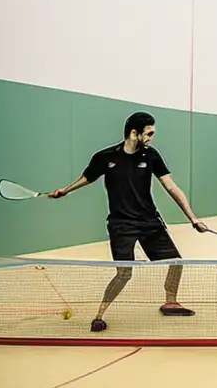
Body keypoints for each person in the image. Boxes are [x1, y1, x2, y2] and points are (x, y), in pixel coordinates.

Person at [48, 111, 208, 332]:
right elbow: (87, 178)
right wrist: (64, 191)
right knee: (124, 273)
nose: (151, 137)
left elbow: (171, 187)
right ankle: (99, 315)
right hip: (121, 224)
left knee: (176, 262)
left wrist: (192, 218)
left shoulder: (151, 156)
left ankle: (171, 301)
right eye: (149, 133)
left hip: (149, 221)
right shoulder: (105, 157)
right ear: (135, 133)